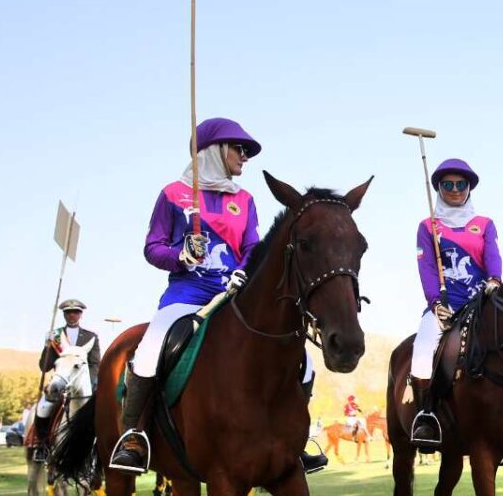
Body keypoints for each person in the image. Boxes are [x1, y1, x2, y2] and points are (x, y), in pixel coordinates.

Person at [111, 118, 325, 473]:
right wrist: (180, 255)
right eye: (238, 149)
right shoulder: (174, 194)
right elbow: (153, 248)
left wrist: (247, 268)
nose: (245, 156)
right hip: (187, 293)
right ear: (214, 150)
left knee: (305, 362)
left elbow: (254, 245)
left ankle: (294, 441)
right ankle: (133, 436)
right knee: (149, 351)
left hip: (233, 295)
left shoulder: (245, 199)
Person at [408, 158, 502, 448]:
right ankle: (425, 414)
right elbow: (425, 267)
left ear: (469, 188)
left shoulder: (484, 224)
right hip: (447, 302)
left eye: (461, 184)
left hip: (481, 297)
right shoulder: (428, 226)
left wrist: (495, 279)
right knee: (423, 346)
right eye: (447, 185)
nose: (455, 190)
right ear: (438, 188)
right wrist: (435, 301)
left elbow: (493, 256)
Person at [33, 299, 100, 462]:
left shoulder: (91, 337)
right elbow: (44, 367)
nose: (72, 315)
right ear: (64, 315)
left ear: (80, 314)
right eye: (68, 312)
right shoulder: (55, 336)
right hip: (60, 385)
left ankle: (102, 448)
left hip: (83, 384)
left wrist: (90, 384)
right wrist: (47, 347)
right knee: (42, 407)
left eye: (75, 312)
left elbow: (95, 363)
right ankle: (42, 446)